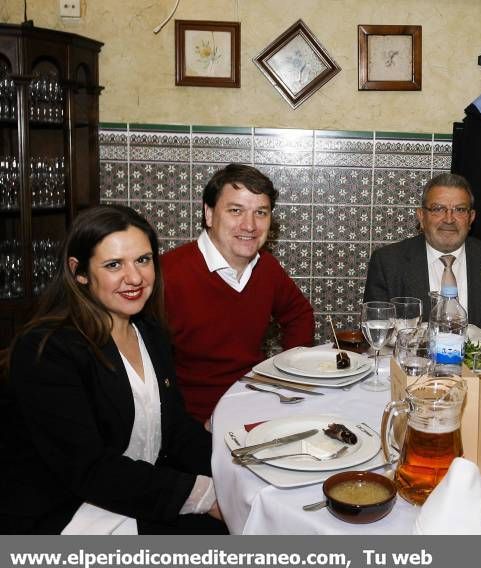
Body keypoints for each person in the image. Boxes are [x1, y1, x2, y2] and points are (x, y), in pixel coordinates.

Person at [0, 205, 225, 534]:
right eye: (113, 264)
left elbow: (174, 429)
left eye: (143, 260)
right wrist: (203, 494)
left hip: (133, 492)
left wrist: (235, 467)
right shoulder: (47, 350)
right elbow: (88, 468)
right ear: (79, 272)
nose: (134, 278)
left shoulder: (149, 331)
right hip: (68, 513)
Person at [162, 164, 314, 421]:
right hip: (193, 419)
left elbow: (299, 314)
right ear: (209, 214)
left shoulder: (267, 267)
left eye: (261, 213)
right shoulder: (167, 274)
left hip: (256, 405)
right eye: (236, 211)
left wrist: (288, 373)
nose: (250, 225)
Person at [363, 173, 481, 332]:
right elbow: (376, 332)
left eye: (460, 209)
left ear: (471, 218)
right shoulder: (388, 262)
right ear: (421, 216)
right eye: (438, 209)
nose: (449, 219)